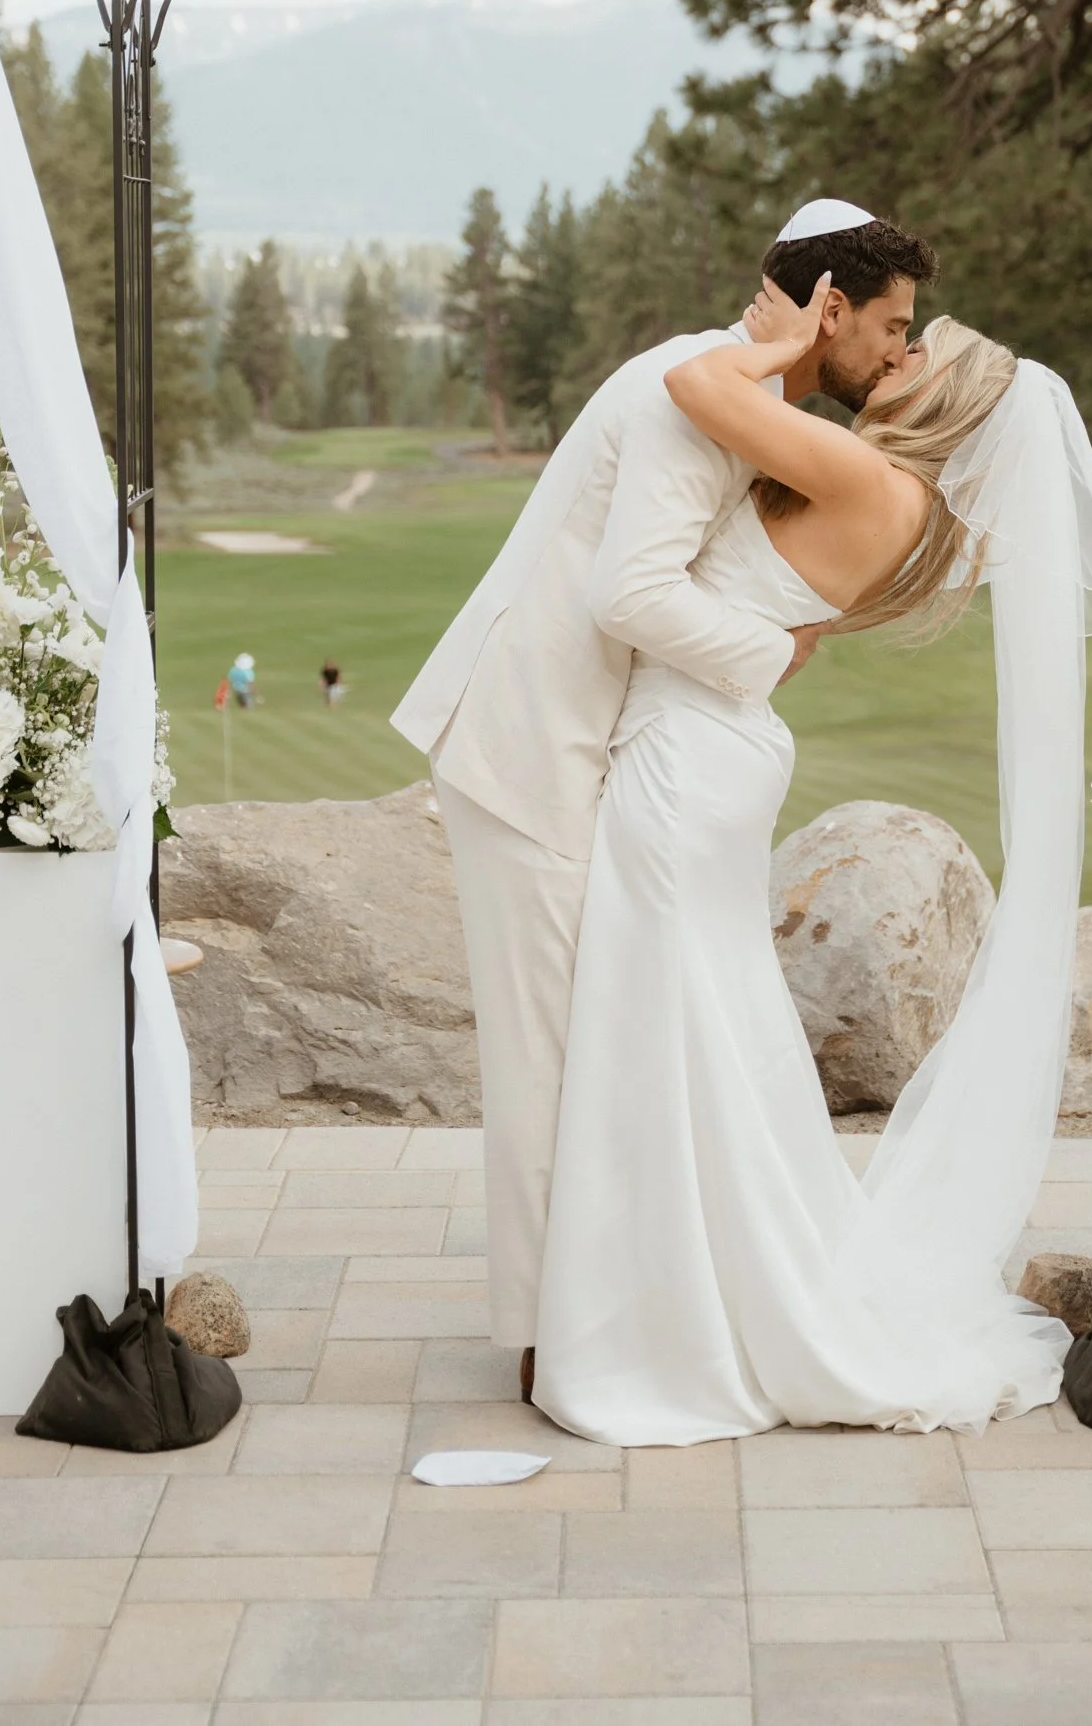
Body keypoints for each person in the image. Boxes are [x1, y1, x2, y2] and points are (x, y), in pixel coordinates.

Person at [530, 274, 1092, 1442]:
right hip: (714, 752)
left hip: (689, 766)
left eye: (915, 356)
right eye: (898, 336)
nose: (889, 357)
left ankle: (674, 1330)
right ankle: (697, 1300)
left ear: (945, 411)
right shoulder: (890, 496)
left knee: (661, 1037)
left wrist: (790, 336)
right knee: (708, 1039)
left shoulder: (863, 475)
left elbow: (695, 380)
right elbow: (781, 636)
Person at [391, 202, 939, 1397]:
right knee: (545, 1058)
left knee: (590, 1042)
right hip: (531, 750)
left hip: (596, 746)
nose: (900, 352)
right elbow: (627, 595)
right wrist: (767, 653)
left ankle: (595, 1317)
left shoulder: (736, 390)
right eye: (890, 325)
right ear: (827, 308)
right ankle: (551, 1351)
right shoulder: (699, 401)